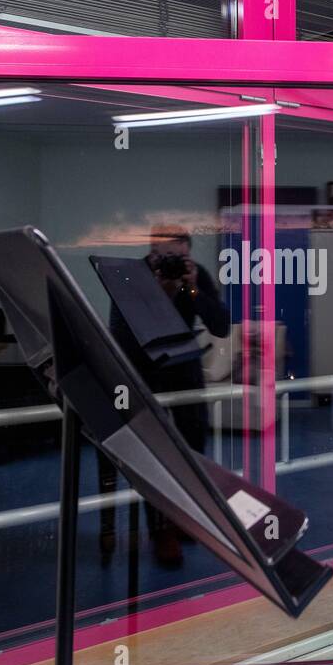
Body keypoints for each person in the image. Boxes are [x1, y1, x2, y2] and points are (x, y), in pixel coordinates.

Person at [98, 227, 230, 567]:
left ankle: (185, 518)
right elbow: (121, 333)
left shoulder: (194, 274)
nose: (167, 261)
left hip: (184, 370)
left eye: (175, 255)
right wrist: (156, 292)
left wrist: (192, 287)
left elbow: (221, 327)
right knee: (155, 454)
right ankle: (161, 531)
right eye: (161, 255)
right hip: (143, 371)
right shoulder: (131, 276)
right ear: (151, 250)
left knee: (193, 448)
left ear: (187, 251)